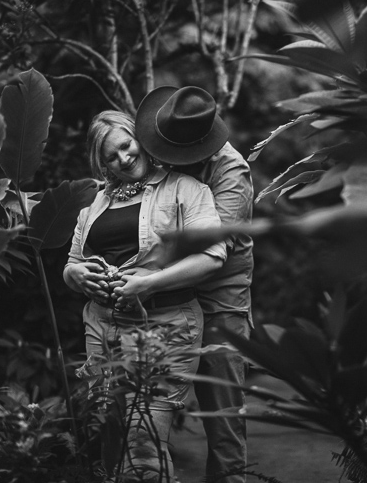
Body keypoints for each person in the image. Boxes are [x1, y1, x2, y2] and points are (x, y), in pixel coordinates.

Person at [63, 110, 227, 481]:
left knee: (143, 444)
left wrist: (147, 283)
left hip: (164, 326)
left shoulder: (185, 190)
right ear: (100, 163)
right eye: (111, 156)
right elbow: (72, 264)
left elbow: (212, 257)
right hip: (103, 328)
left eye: (126, 145)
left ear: (140, 139)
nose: (123, 158)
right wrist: (76, 275)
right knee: (110, 437)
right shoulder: (96, 204)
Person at [136, 86, 254, 483]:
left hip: (219, 298)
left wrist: (145, 274)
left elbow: (208, 251)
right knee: (148, 401)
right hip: (164, 293)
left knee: (221, 410)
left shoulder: (231, 173)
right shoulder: (158, 153)